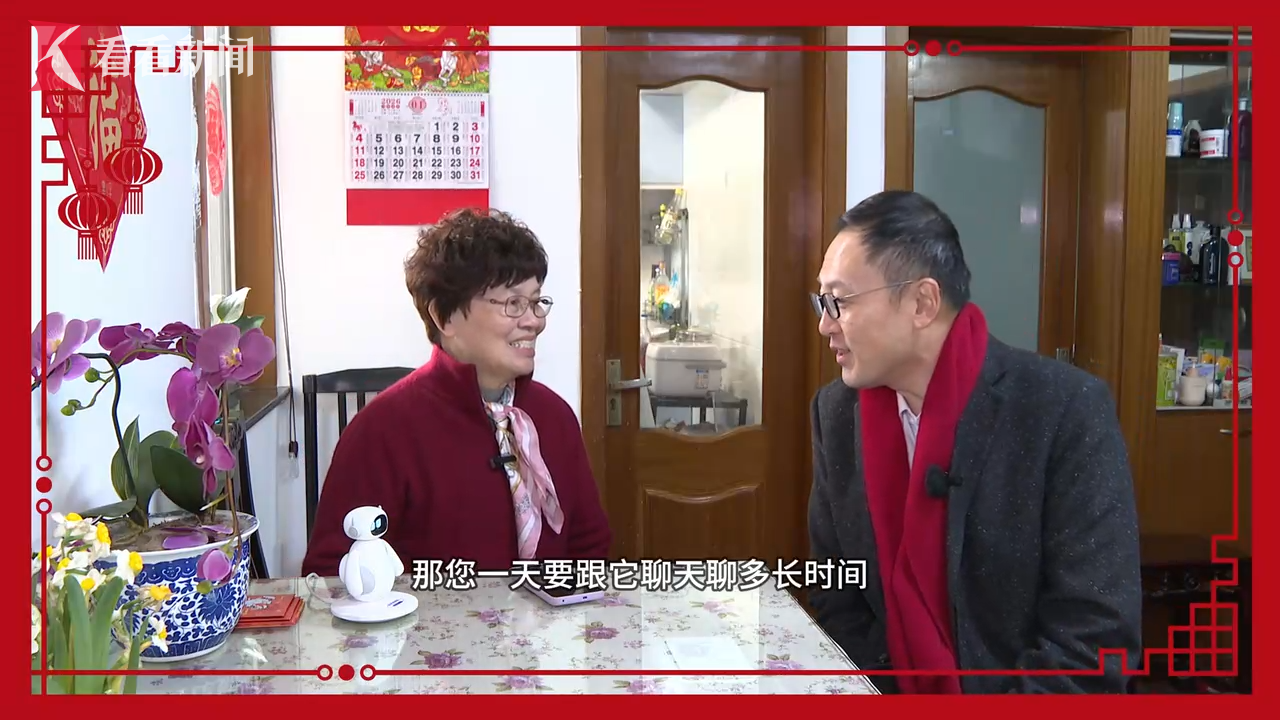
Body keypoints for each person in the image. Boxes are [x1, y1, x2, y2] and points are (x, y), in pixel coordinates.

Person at [806, 191, 1142, 694]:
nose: (824, 324)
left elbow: (1095, 641)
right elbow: (835, 588)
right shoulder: (837, 414)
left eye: (840, 301)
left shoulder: (1063, 411)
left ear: (922, 303)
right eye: (822, 301)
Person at [301, 208, 612, 578]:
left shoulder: (554, 416)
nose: (533, 321)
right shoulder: (382, 430)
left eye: (536, 302)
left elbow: (590, 547)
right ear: (444, 316)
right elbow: (332, 577)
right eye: (513, 303)